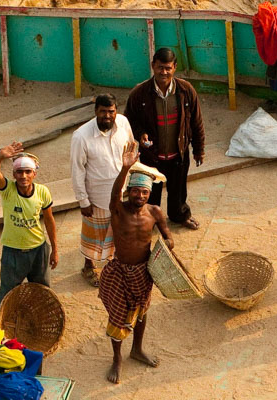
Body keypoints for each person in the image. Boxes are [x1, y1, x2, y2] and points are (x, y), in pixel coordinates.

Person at [99, 144, 169, 383]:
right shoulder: (118, 210)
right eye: (136, 191)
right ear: (128, 191)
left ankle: (137, 349)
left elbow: (168, 237)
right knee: (118, 317)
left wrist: (167, 246)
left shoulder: (155, 212)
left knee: (141, 312)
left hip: (143, 273)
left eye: (144, 192)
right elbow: (113, 196)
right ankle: (117, 359)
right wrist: (125, 168)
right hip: (120, 272)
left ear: (150, 194)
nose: (140, 196)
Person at [123, 48, 204, 230]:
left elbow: (196, 122)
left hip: (178, 154)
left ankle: (180, 216)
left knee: (178, 191)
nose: (164, 72)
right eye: (160, 67)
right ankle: (150, 221)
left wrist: (199, 150)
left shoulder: (186, 91)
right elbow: (129, 121)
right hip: (151, 156)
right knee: (150, 193)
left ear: (175, 67)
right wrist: (140, 133)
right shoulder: (139, 93)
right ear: (153, 66)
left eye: (168, 68)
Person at [70, 93, 136, 284]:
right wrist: (83, 201)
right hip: (96, 197)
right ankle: (88, 267)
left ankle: (113, 266)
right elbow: (77, 170)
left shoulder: (123, 123)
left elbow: (131, 147)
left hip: (121, 192)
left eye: (111, 111)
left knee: (116, 233)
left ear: (116, 111)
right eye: (103, 111)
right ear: (95, 111)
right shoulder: (81, 136)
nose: (107, 116)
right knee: (94, 237)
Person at [0, 142, 58, 305]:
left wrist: (54, 249)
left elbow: (49, 220)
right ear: (14, 174)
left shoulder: (42, 192)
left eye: (28, 172)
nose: (23, 176)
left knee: (42, 291)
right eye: (19, 172)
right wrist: (0, 156)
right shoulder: (8, 190)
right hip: (12, 252)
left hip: (38, 250)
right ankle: (5, 320)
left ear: (34, 174)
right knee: (8, 293)